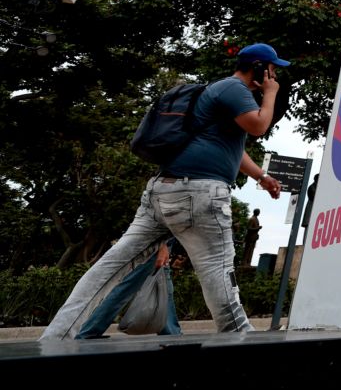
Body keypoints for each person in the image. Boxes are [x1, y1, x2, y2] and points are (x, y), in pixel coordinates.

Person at [41, 42, 287, 339]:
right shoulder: (235, 89)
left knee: (110, 267)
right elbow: (259, 125)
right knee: (218, 271)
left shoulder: (218, 92)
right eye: (272, 69)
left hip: (163, 190)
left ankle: (56, 336)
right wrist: (270, 94)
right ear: (259, 68)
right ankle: (241, 342)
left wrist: (262, 176)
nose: (275, 75)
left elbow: (234, 151)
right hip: (199, 192)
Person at [76, 240, 181, 339]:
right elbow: (158, 226)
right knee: (125, 289)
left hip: (158, 244)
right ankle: (88, 332)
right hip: (153, 245)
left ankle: (171, 334)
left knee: (163, 289)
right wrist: (161, 245)